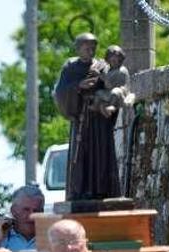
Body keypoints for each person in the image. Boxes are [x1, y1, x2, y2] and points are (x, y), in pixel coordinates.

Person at [53, 33, 120, 200]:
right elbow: (60, 93)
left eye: (93, 48)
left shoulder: (102, 66)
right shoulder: (70, 67)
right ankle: (80, 192)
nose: (90, 51)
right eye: (87, 48)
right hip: (81, 119)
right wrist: (78, 86)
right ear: (78, 49)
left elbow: (114, 88)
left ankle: (102, 191)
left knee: (101, 154)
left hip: (99, 119)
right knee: (81, 156)